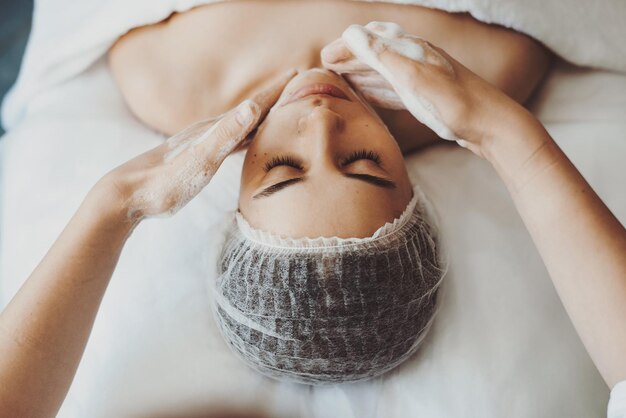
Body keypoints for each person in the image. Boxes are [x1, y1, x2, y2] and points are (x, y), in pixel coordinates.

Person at [0, 12, 623, 418]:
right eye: (364, 163)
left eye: (283, 170)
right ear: (413, 184)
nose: (322, 122)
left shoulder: (166, 78)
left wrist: (118, 204)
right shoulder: (495, 67)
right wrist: (497, 126)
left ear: (230, 195)